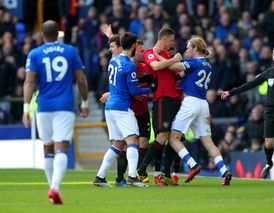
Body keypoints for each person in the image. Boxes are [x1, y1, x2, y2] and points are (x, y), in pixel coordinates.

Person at [23, 20, 89, 205]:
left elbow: (29, 82)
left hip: (43, 106)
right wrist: (84, 102)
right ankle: (55, 188)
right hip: (65, 105)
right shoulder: (70, 51)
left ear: (42, 35)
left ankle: (52, 188)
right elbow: (81, 80)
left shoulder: (35, 54)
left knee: (48, 148)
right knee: (62, 148)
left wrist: (26, 108)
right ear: (58, 34)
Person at [221, 46, 274, 180]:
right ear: (272, 57)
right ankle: (269, 163)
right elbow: (250, 84)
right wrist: (231, 93)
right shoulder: (268, 73)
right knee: (269, 143)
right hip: (270, 111)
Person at [165, 36, 232, 185]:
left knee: (173, 139)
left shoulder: (193, 62)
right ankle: (224, 171)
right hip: (203, 104)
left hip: (191, 102)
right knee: (209, 143)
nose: (187, 49)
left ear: (195, 49)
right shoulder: (207, 64)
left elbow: (172, 67)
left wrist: (163, 58)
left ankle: (193, 165)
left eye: (189, 47)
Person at [92, 32, 150, 187]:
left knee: (117, 144)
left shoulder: (113, 60)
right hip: (122, 107)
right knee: (133, 141)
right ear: (133, 46)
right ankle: (132, 177)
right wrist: (150, 89)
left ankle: (100, 176)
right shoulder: (129, 65)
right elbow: (133, 91)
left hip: (110, 107)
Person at [136, 27, 182, 186]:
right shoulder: (150, 52)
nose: (172, 43)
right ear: (164, 39)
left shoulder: (165, 56)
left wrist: (177, 65)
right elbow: (155, 67)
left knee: (174, 137)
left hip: (175, 98)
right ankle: (141, 169)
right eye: (171, 40)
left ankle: (166, 173)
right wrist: (174, 60)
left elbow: (176, 75)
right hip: (162, 98)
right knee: (162, 136)